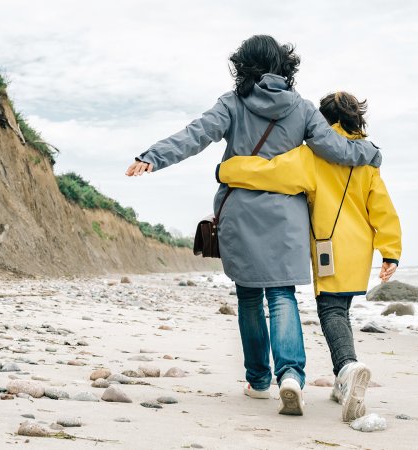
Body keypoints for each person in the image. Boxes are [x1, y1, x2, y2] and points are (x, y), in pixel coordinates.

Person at [125, 36, 382, 416]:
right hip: (287, 218)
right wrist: (371, 152)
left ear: (243, 66)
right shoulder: (303, 109)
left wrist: (152, 157)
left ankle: (259, 380)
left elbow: (195, 135)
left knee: (248, 297)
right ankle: (291, 376)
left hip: (241, 215)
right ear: (284, 65)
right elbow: (339, 151)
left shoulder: (231, 104)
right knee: (282, 295)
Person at [217, 91, 402, 422]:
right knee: (340, 311)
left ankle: (347, 367)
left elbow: (268, 171)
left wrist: (227, 169)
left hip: (328, 245)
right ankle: (342, 381)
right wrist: (391, 251)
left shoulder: (312, 156)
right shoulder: (366, 161)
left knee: (330, 311)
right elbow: (383, 209)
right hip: (361, 249)